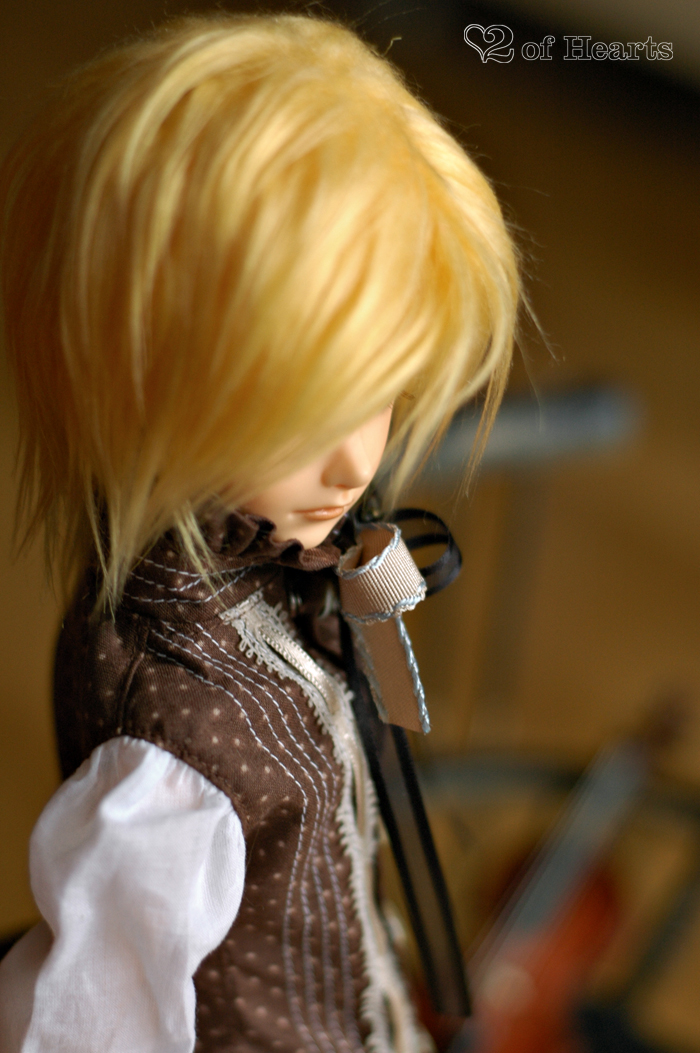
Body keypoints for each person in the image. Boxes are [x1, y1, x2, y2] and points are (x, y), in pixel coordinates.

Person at [0, 12, 519, 1053]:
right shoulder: (173, 739)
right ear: (145, 383)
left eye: (379, 397)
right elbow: (91, 1024)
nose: (353, 464)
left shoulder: (270, 569)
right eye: (303, 417)